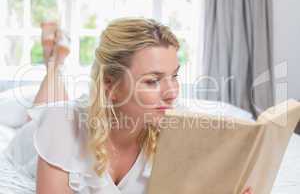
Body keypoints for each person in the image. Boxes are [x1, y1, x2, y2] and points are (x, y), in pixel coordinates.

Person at [0, 18, 254, 194]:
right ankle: (54, 62)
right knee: (46, 114)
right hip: (36, 141)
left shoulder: (179, 126)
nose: (172, 93)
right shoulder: (59, 125)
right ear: (111, 86)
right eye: (153, 81)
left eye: (174, 76)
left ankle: (55, 59)